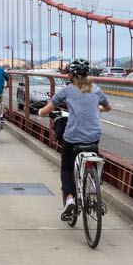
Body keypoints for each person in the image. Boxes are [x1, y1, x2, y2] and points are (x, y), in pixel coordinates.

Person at [39, 58, 112, 222]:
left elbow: (47, 110)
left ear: (70, 75)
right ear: (88, 74)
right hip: (94, 136)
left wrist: (40, 113)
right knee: (94, 155)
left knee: (66, 168)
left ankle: (70, 199)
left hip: (73, 138)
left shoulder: (67, 91)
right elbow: (108, 107)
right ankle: (94, 190)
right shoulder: (96, 90)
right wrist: (99, 108)